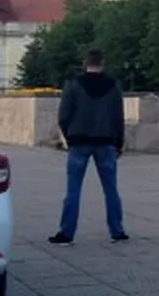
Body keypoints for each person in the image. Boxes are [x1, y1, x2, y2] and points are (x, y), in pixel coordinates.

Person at [48, 49, 128, 246]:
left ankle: (67, 233)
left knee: (73, 189)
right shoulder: (113, 85)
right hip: (106, 142)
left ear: (85, 63)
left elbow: (63, 115)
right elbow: (118, 117)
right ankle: (117, 231)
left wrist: (69, 137)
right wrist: (118, 142)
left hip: (79, 142)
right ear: (103, 63)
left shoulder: (73, 84)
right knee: (111, 188)